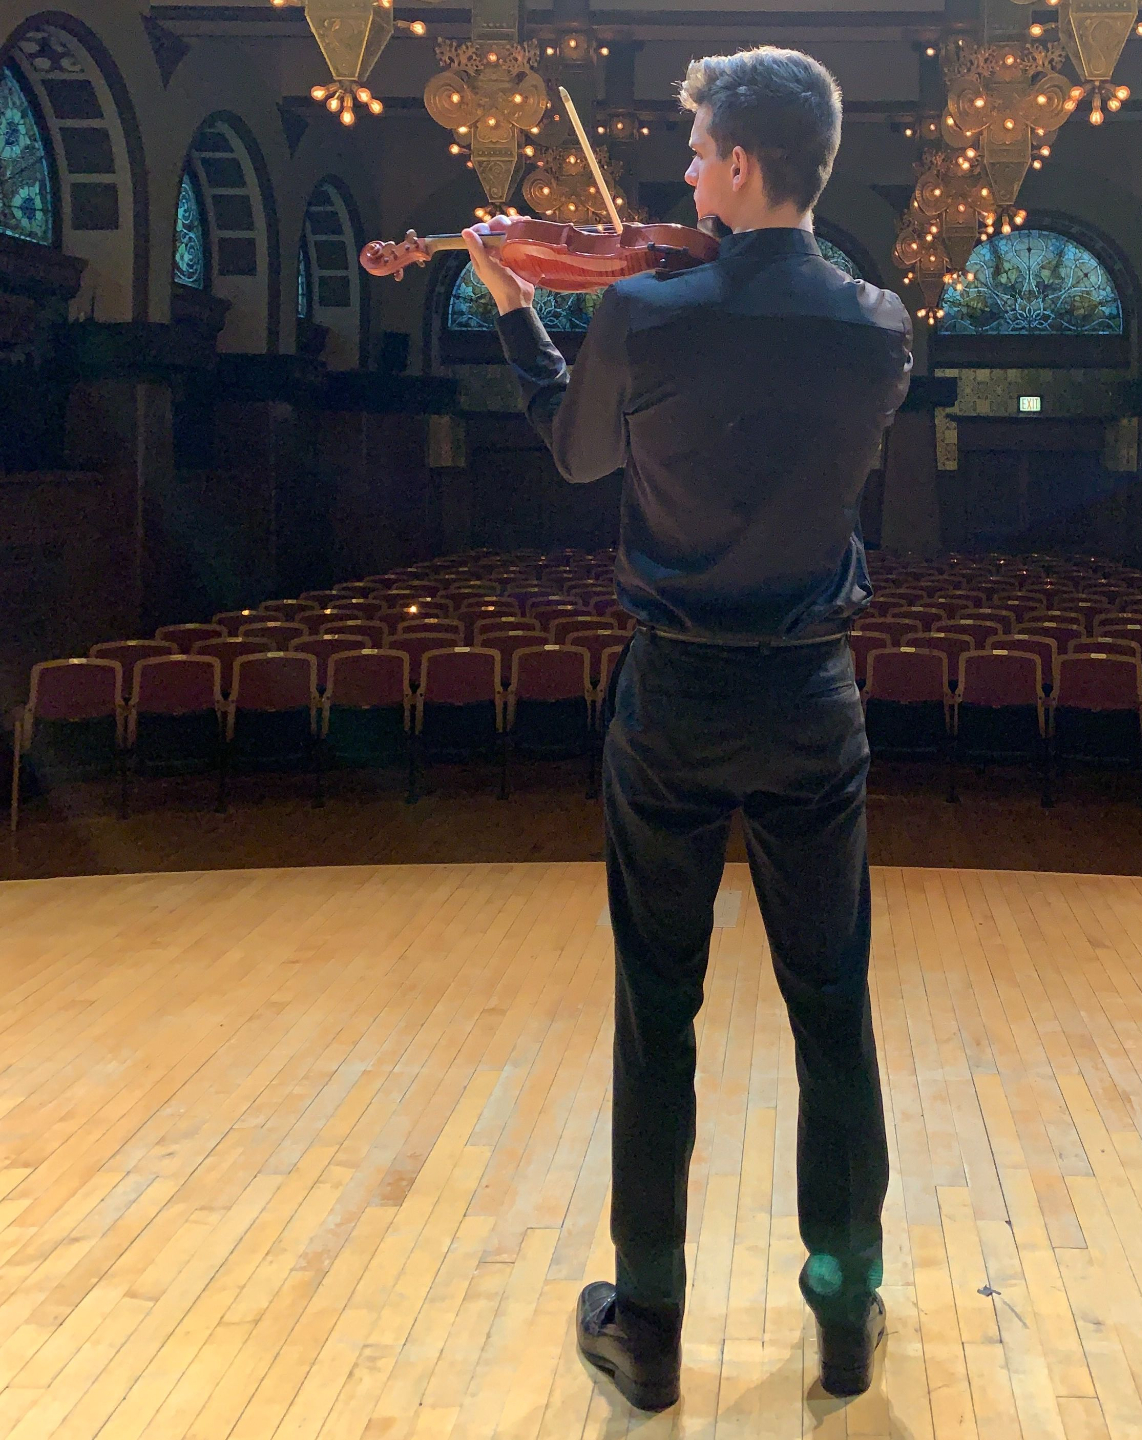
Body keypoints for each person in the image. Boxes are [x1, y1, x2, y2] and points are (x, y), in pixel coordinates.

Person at [463, 45, 912, 1412]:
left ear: (740, 164)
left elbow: (577, 451)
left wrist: (514, 311)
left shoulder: (646, 314)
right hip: (811, 695)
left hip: (674, 696)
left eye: (700, 147)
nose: (684, 169)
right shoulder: (878, 324)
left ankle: (647, 1323)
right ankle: (844, 1306)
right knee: (831, 1006)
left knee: (656, 1010)